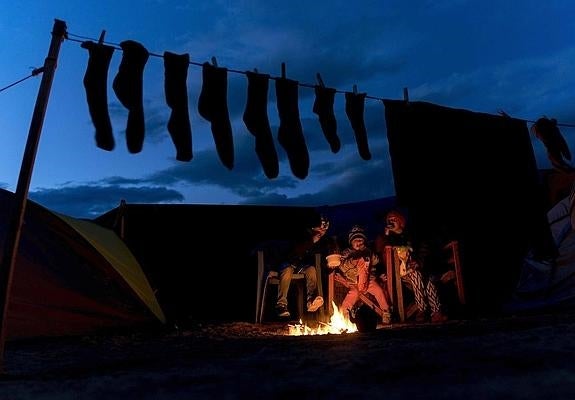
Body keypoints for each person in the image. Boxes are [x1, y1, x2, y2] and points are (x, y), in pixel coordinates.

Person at [374, 209, 448, 323]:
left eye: (394, 219)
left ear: (400, 222)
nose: (391, 222)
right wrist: (387, 235)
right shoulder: (387, 238)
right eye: (389, 220)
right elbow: (382, 256)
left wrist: (419, 261)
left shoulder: (412, 235)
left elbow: (424, 249)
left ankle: (426, 310)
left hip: (416, 269)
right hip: (399, 273)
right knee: (421, 276)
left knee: (423, 277)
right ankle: (432, 311)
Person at [274, 215, 329, 318]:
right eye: (320, 228)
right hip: (287, 262)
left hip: (300, 266)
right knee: (287, 270)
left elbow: (319, 256)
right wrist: (312, 241)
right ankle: (281, 305)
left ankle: (311, 300)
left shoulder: (320, 240)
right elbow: (294, 252)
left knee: (311, 270)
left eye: (324, 229)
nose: (321, 231)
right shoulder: (302, 234)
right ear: (314, 227)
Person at [335, 225, 391, 324]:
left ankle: (386, 312)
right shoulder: (347, 252)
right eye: (356, 240)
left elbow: (376, 262)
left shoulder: (367, 251)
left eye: (361, 240)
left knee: (378, 291)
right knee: (352, 295)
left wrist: (367, 252)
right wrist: (353, 260)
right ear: (351, 242)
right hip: (353, 282)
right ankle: (344, 315)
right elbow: (342, 266)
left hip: (368, 281)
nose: (359, 242)